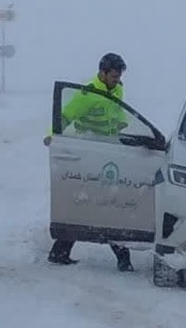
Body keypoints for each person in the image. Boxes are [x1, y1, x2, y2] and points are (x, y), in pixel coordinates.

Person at [44, 52, 135, 272]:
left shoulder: (118, 89)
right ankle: (123, 258)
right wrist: (52, 135)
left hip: (111, 153)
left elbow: (118, 112)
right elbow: (65, 116)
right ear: (102, 73)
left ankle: (60, 252)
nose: (116, 79)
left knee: (100, 203)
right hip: (89, 153)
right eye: (113, 75)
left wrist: (124, 129)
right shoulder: (87, 94)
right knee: (103, 205)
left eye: (118, 75)